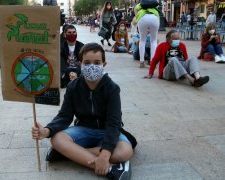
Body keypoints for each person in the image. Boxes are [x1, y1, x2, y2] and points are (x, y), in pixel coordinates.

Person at [32, 43, 137, 180]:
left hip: (107, 131)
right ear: (80, 63)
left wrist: (105, 154)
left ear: (104, 64)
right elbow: (64, 116)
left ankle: (69, 154)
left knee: (125, 152)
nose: (92, 66)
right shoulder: (73, 87)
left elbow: (114, 123)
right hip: (84, 129)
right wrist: (47, 131)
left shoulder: (112, 88)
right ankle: (111, 169)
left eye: (97, 62)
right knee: (57, 139)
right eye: (87, 63)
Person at [144, 30, 209, 87]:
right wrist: (150, 73)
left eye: (178, 38)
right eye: (175, 39)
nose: (177, 40)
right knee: (173, 59)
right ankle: (191, 80)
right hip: (169, 72)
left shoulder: (182, 45)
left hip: (181, 70)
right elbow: (155, 60)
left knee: (192, 58)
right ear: (168, 39)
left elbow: (186, 60)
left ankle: (198, 78)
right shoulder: (161, 46)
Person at [134, 2, 160, 68]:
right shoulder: (154, 3)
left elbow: (135, 9)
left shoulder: (141, 3)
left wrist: (137, 17)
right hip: (154, 18)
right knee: (154, 40)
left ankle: (141, 62)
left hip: (142, 17)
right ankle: (152, 62)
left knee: (142, 40)